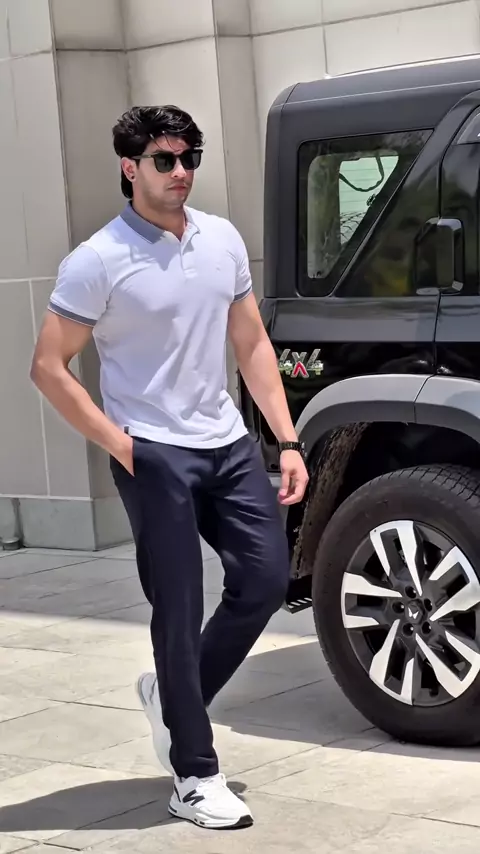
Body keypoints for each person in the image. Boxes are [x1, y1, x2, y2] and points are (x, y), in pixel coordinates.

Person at [30, 105, 309, 830]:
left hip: (227, 444)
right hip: (153, 452)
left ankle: (172, 697)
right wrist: (125, 448)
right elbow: (49, 367)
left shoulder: (221, 239)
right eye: (164, 160)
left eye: (189, 158)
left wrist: (286, 440)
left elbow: (251, 343)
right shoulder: (98, 259)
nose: (180, 172)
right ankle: (194, 774)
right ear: (130, 167)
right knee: (178, 610)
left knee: (265, 582)